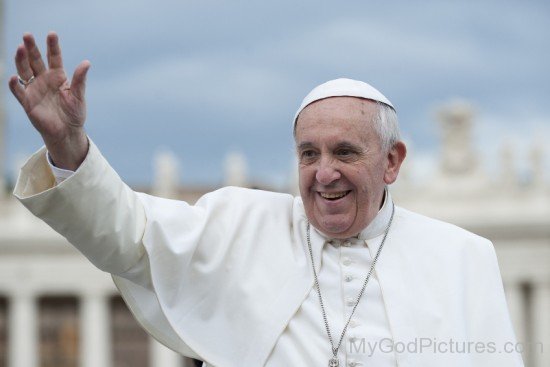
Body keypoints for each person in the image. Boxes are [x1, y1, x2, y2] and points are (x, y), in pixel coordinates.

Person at [10, 32, 523, 367]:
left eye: (344, 152)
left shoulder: (463, 258)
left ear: (392, 161)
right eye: (308, 154)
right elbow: (129, 235)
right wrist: (66, 145)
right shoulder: (239, 222)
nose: (324, 173)